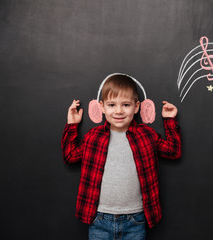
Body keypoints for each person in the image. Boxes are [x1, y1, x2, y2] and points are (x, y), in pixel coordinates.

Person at [61, 74, 181, 240]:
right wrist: (72, 125)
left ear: (136, 107)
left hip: (135, 220)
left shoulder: (146, 135)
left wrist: (169, 120)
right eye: (111, 105)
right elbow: (70, 156)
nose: (118, 111)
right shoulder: (93, 137)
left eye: (126, 105)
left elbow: (173, 151)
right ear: (102, 107)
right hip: (99, 219)